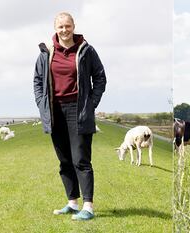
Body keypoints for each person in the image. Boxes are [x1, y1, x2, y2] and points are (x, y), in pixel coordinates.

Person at [33, 12, 107, 220]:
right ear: (55, 29)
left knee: (81, 159)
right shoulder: (46, 52)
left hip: (79, 110)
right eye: (60, 27)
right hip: (55, 111)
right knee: (64, 161)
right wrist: (42, 105)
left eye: (68, 26)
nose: (64, 30)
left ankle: (89, 207)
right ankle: (72, 203)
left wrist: (90, 104)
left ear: (74, 26)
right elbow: (38, 82)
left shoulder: (86, 50)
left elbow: (100, 78)